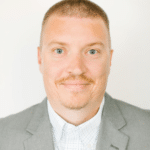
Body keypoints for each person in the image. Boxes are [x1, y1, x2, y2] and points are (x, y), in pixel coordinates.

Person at [0, 0, 150, 149]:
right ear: (40, 59)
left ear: (109, 59)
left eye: (92, 51)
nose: (77, 68)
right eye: (59, 51)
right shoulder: (3, 136)